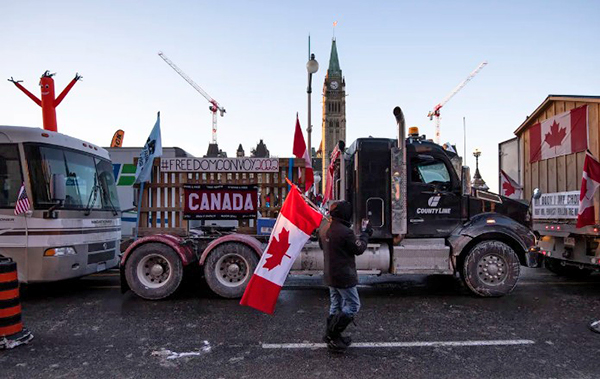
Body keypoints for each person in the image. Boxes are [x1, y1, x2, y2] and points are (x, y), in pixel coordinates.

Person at [319, 200, 372, 352]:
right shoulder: (345, 232)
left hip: (330, 274)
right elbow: (359, 248)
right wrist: (365, 234)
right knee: (353, 305)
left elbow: (322, 246)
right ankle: (332, 335)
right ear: (345, 214)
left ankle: (333, 336)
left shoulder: (324, 227)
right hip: (344, 275)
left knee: (336, 305)